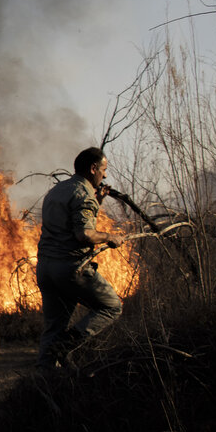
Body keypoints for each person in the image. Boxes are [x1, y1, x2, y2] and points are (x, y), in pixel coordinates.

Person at [36, 147, 124, 371]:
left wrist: (97, 202)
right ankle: (66, 344)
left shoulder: (56, 191)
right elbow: (83, 234)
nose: (104, 175)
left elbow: (71, 221)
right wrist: (109, 237)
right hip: (70, 269)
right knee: (112, 307)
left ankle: (42, 384)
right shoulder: (83, 194)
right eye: (103, 170)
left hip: (46, 268)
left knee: (53, 327)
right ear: (93, 168)